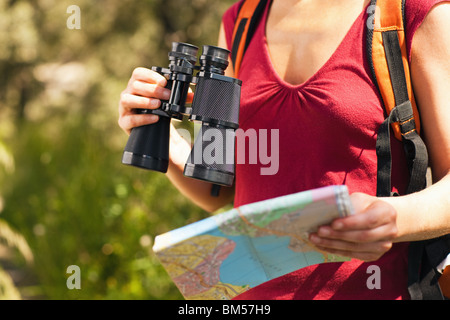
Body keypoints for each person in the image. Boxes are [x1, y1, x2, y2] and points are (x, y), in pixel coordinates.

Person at [118, 0, 450, 299]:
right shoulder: (240, 22)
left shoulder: (414, 13)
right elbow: (217, 188)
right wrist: (162, 132)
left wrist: (395, 219)